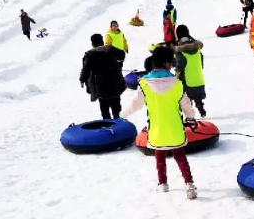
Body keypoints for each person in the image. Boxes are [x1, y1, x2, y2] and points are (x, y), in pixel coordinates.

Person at [121, 47, 198, 199]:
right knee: (180, 156)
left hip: (156, 130)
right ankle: (189, 184)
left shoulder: (144, 84)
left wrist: (122, 115)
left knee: (160, 156)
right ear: (168, 64)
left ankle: (162, 184)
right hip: (175, 128)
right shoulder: (177, 83)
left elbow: (136, 104)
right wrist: (191, 116)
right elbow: (186, 104)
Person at [79, 34, 126, 119]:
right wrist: (119, 63)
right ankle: (118, 122)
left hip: (101, 85)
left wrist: (82, 79)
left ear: (92, 44)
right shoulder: (110, 49)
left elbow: (86, 69)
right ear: (103, 41)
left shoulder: (90, 54)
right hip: (115, 83)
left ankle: (107, 126)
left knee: (104, 109)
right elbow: (122, 54)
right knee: (116, 106)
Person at [174, 25, 206, 117]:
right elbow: (201, 61)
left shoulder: (180, 51)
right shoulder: (197, 48)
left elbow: (180, 66)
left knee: (186, 99)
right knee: (197, 96)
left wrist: (176, 76)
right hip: (199, 78)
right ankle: (200, 106)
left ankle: (190, 117)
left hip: (187, 81)